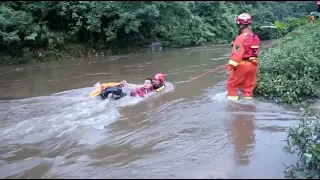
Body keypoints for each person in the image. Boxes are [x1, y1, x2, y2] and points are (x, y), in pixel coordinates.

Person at [226, 13, 261, 100]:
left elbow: (236, 55)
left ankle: (232, 105)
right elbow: (250, 50)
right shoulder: (254, 37)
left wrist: (229, 67)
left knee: (232, 85)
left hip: (242, 65)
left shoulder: (240, 38)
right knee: (248, 88)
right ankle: (248, 106)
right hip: (253, 65)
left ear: (240, 25)